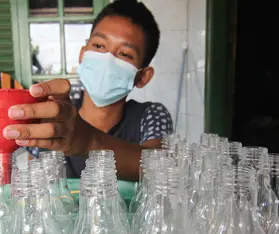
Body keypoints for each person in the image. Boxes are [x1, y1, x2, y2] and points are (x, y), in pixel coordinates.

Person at [2, 0, 173, 181]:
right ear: (83, 55)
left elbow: (159, 168)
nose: (107, 60)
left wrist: (87, 140)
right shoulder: (54, 119)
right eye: (99, 46)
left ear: (142, 77)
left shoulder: (149, 116)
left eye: (125, 54)